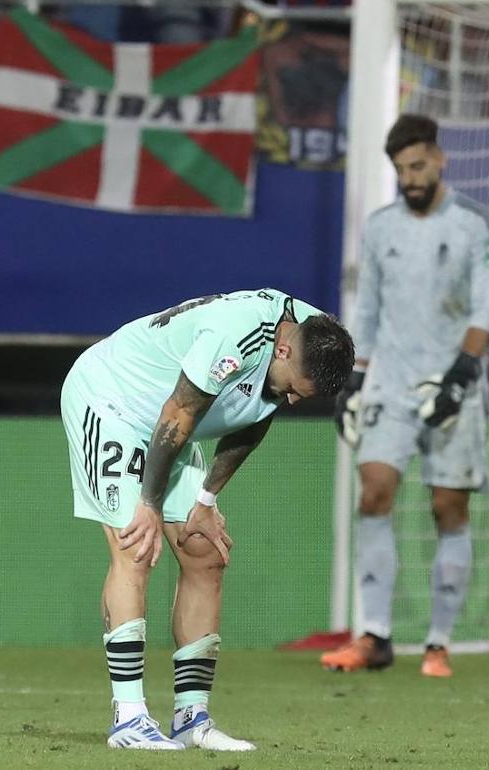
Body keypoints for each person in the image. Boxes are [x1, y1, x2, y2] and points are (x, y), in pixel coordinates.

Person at [61, 288, 354, 750]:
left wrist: (206, 499)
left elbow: (257, 413)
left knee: (204, 554)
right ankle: (129, 718)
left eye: (303, 397)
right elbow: (178, 413)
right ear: (282, 349)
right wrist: (150, 504)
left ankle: (191, 718)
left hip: (174, 424)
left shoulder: (314, 338)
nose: (293, 401)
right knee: (135, 546)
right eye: (295, 388)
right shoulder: (234, 335)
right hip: (116, 401)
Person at [321, 113, 489, 678]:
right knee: (374, 492)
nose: (410, 178)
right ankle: (374, 636)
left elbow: (483, 310)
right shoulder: (380, 228)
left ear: (440, 160)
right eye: (401, 170)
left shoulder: (476, 223)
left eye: (418, 166)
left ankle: (438, 643)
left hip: (454, 383)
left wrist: (461, 374)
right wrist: (353, 377)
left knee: (448, 507)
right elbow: (368, 310)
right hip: (392, 382)